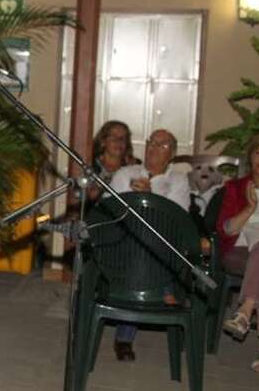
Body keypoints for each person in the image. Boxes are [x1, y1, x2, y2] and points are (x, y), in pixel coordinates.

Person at [107, 128, 190, 361]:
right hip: (125, 244)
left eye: (163, 145)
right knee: (140, 241)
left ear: (172, 154)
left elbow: (177, 219)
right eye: (152, 142)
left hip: (161, 246)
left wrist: (150, 197)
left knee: (153, 239)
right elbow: (110, 212)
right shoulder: (126, 174)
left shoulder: (178, 180)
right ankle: (166, 290)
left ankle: (124, 336)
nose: (154, 148)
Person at [219, 132, 259, 373]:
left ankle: (245, 311)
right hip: (240, 250)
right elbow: (226, 230)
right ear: (250, 157)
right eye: (258, 153)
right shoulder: (235, 187)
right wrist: (250, 208)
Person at [87, 120, 140, 202]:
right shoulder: (90, 165)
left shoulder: (136, 167)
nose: (119, 142)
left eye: (123, 138)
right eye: (114, 137)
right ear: (103, 141)